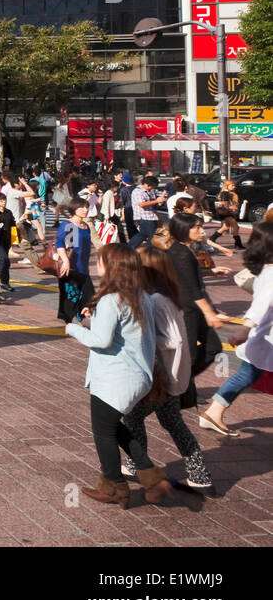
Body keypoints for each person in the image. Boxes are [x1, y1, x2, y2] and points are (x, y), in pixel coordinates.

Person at [65, 243, 155, 507]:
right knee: (113, 427)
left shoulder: (111, 298)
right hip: (137, 374)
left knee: (103, 431)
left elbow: (101, 340)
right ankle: (151, 475)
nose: (97, 265)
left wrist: (73, 329)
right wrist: (96, 316)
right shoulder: (140, 295)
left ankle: (115, 487)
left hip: (115, 377)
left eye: (100, 261)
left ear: (111, 266)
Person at [124, 245, 213, 492]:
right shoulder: (168, 296)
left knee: (131, 418)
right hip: (171, 376)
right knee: (173, 422)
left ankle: (136, 466)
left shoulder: (157, 300)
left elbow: (174, 340)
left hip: (163, 378)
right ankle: (200, 475)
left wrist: (144, 337)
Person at [199, 221, 273, 437]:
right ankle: (213, 412)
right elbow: (261, 305)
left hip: (263, 338)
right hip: (265, 337)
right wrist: (245, 328)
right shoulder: (271, 275)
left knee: (246, 375)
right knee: (245, 375)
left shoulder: (266, 271)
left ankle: (214, 411)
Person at [164, 212, 226, 414]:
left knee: (213, 347)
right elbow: (191, 287)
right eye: (196, 227)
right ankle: (177, 388)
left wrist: (210, 272)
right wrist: (210, 313)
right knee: (189, 355)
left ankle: (182, 385)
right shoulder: (180, 252)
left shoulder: (185, 250)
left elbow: (188, 276)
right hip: (186, 310)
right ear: (184, 230)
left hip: (193, 308)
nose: (201, 231)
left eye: (201, 226)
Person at [55, 200, 95, 324]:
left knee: (88, 296)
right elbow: (61, 244)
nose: (85, 210)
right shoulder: (69, 225)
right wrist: (66, 261)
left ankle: (80, 318)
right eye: (82, 207)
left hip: (82, 267)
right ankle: (69, 324)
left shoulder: (85, 226)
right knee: (70, 298)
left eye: (87, 207)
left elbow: (77, 246)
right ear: (74, 209)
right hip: (70, 268)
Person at [128, 175, 165, 248]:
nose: (153, 188)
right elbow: (141, 204)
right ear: (147, 185)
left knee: (143, 234)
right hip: (143, 217)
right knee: (152, 235)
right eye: (153, 186)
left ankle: (129, 248)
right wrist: (156, 201)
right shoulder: (138, 191)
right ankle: (150, 251)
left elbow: (152, 204)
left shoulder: (150, 191)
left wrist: (158, 203)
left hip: (151, 216)